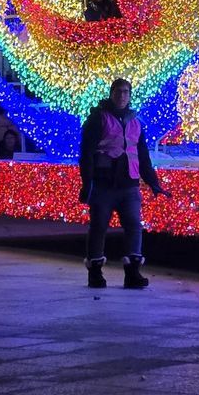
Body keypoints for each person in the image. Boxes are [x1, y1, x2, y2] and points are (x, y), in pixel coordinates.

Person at [78, 79, 167, 289]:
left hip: (129, 183)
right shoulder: (98, 119)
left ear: (130, 95)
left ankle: (133, 272)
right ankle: (95, 272)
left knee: (134, 226)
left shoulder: (136, 122)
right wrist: (87, 183)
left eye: (126, 92)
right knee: (99, 227)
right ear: (111, 93)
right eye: (118, 92)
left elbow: (143, 155)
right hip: (104, 183)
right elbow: (87, 153)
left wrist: (153, 182)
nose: (122, 96)